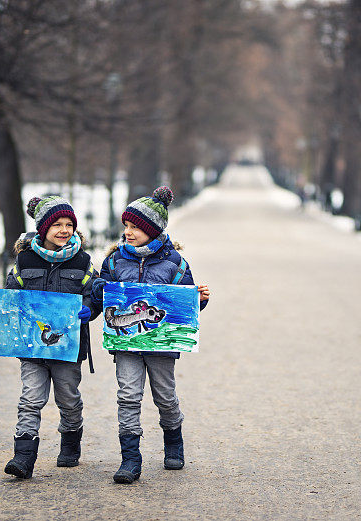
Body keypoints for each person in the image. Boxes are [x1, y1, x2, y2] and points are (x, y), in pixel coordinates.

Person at [95, 186, 210, 484]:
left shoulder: (176, 264)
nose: (129, 232)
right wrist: (98, 290)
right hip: (126, 345)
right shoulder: (114, 261)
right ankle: (130, 459)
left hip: (161, 347)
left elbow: (186, 307)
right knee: (128, 396)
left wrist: (199, 299)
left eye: (136, 227)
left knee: (165, 397)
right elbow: (99, 291)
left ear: (154, 230)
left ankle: (174, 442)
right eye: (127, 226)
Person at [0, 195, 99, 479]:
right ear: (43, 228)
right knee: (30, 399)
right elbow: (11, 295)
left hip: (67, 350)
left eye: (69, 224)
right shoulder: (24, 260)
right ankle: (23, 457)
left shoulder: (82, 262)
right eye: (57, 224)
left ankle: (71, 440)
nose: (64, 229)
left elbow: (95, 294)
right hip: (32, 347)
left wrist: (90, 309)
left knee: (68, 399)